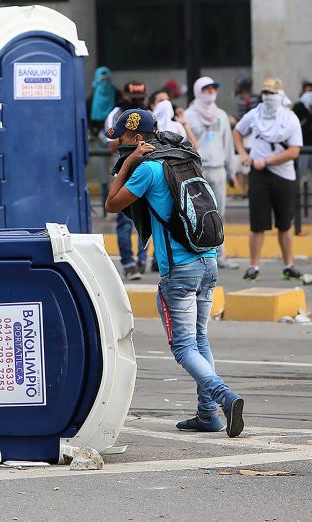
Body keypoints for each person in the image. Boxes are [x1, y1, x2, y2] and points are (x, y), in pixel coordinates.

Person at [104, 108, 244, 437]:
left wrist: (128, 163)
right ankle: (208, 414)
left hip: (179, 271)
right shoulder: (182, 158)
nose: (118, 147)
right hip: (208, 261)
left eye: (122, 140)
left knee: (183, 347)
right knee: (199, 339)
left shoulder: (148, 169)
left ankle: (225, 396)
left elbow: (112, 203)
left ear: (139, 139)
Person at [233, 78, 304, 281]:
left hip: (283, 174)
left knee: (285, 223)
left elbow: (294, 150)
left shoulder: (290, 119)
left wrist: (268, 160)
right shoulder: (254, 115)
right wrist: (243, 154)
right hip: (258, 174)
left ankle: (288, 264)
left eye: (272, 93)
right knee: (257, 224)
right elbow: (237, 131)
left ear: (280, 95)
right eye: (265, 93)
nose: (268, 97)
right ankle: (254, 265)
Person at [185, 76, 238, 269]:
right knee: (197, 215)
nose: (210, 92)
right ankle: (198, 255)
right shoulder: (189, 116)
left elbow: (228, 144)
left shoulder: (221, 116)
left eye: (213, 89)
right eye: (206, 89)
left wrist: (232, 171)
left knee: (219, 214)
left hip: (218, 169)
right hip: (197, 170)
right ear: (198, 91)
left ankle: (219, 255)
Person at [105, 81, 149, 280]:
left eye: (140, 97)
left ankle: (142, 259)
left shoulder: (147, 115)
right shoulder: (116, 115)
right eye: (133, 96)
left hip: (145, 172)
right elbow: (113, 145)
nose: (136, 100)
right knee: (125, 221)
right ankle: (128, 263)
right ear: (124, 94)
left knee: (145, 218)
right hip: (122, 173)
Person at [291, 81, 312, 199]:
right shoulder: (298, 106)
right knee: (299, 173)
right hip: (302, 147)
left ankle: (311, 199)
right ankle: (294, 200)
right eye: (309, 91)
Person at [88, 66, 117, 137]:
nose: (105, 83)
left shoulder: (117, 96)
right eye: (102, 80)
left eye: (107, 80)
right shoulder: (90, 101)